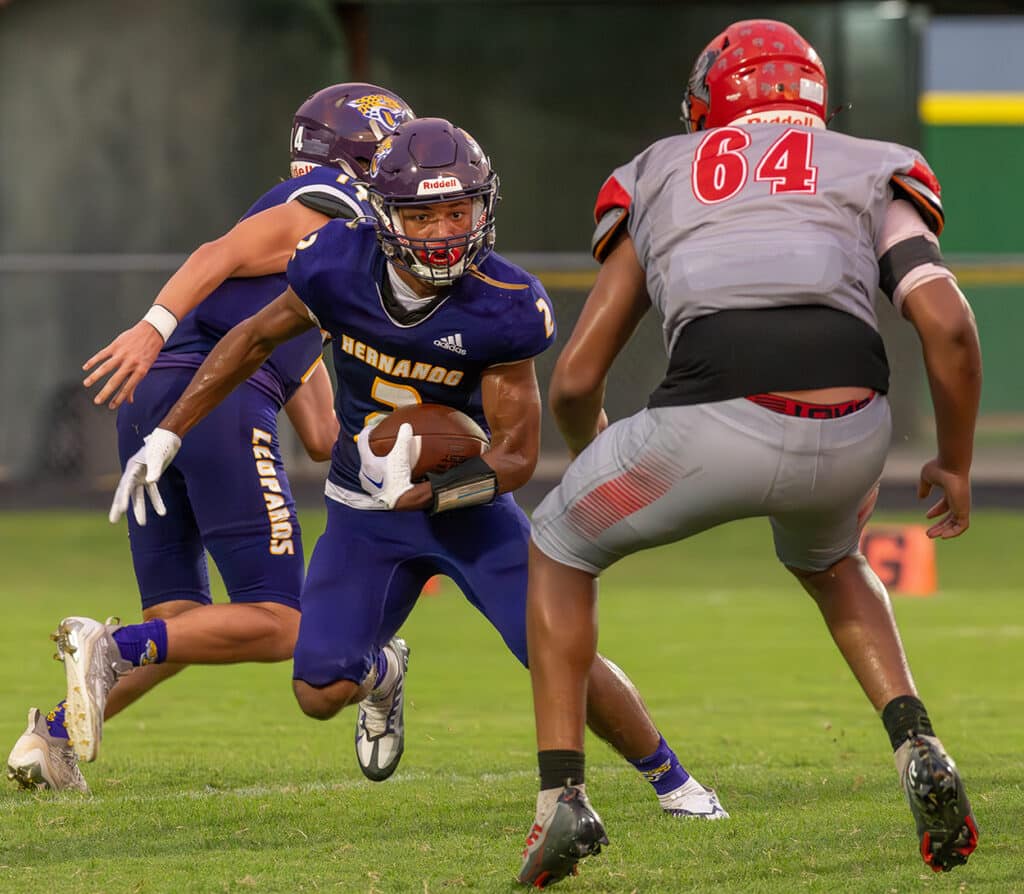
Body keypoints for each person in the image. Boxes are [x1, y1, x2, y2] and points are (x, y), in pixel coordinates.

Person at [57, 117, 727, 819]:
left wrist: (433, 493)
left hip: (468, 515)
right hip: (360, 516)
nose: (443, 229)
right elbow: (252, 338)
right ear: (385, 215)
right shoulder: (333, 263)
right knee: (317, 690)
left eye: (457, 210)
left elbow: (517, 455)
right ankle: (385, 673)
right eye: (423, 212)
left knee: (555, 652)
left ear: (484, 208)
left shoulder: (505, 303)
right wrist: (168, 434)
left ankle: (674, 782)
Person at [515, 18, 982, 887]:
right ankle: (916, 739)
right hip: (853, 422)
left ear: (706, 106)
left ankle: (562, 799)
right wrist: (951, 461)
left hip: (710, 417)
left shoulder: (658, 170)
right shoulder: (870, 163)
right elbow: (948, 323)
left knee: (557, 546)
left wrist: (598, 463)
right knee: (833, 558)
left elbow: (575, 380)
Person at [6, 83, 415, 793]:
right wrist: (150, 325)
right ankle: (111, 646)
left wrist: (392, 447)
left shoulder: (326, 264)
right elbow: (216, 253)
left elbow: (320, 435)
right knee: (281, 622)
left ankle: (53, 739)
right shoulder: (336, 204)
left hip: (151, 407)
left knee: (184, 626)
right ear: (364, 156)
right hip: (212, 399)